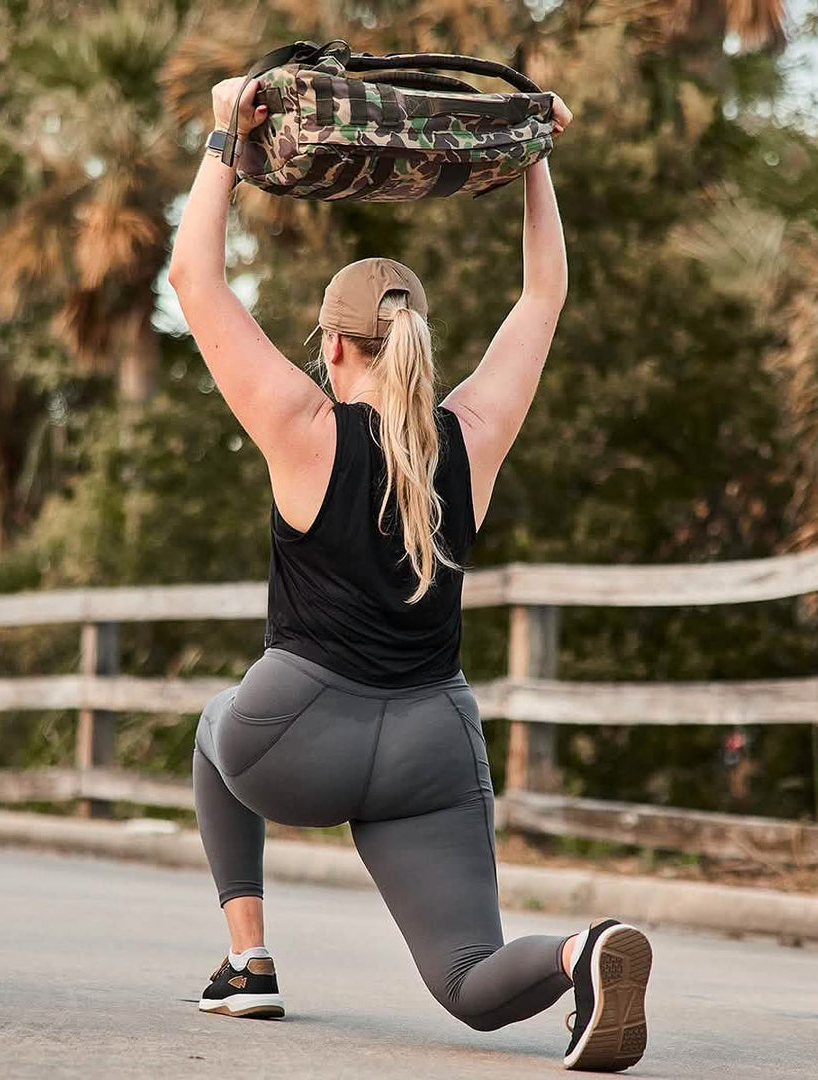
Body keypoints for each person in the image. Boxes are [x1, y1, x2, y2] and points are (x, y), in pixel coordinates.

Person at [167, 74, 652, 1073]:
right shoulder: (472, 433)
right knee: (471, 981)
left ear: (334, 348)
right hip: (433, 741)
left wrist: (225, 138)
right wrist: (534, 155)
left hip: (295, 733)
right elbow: (545, 294)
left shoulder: (304, 429)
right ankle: (583, 950)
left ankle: (248, 959)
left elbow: (195, 284)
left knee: (219, 729)